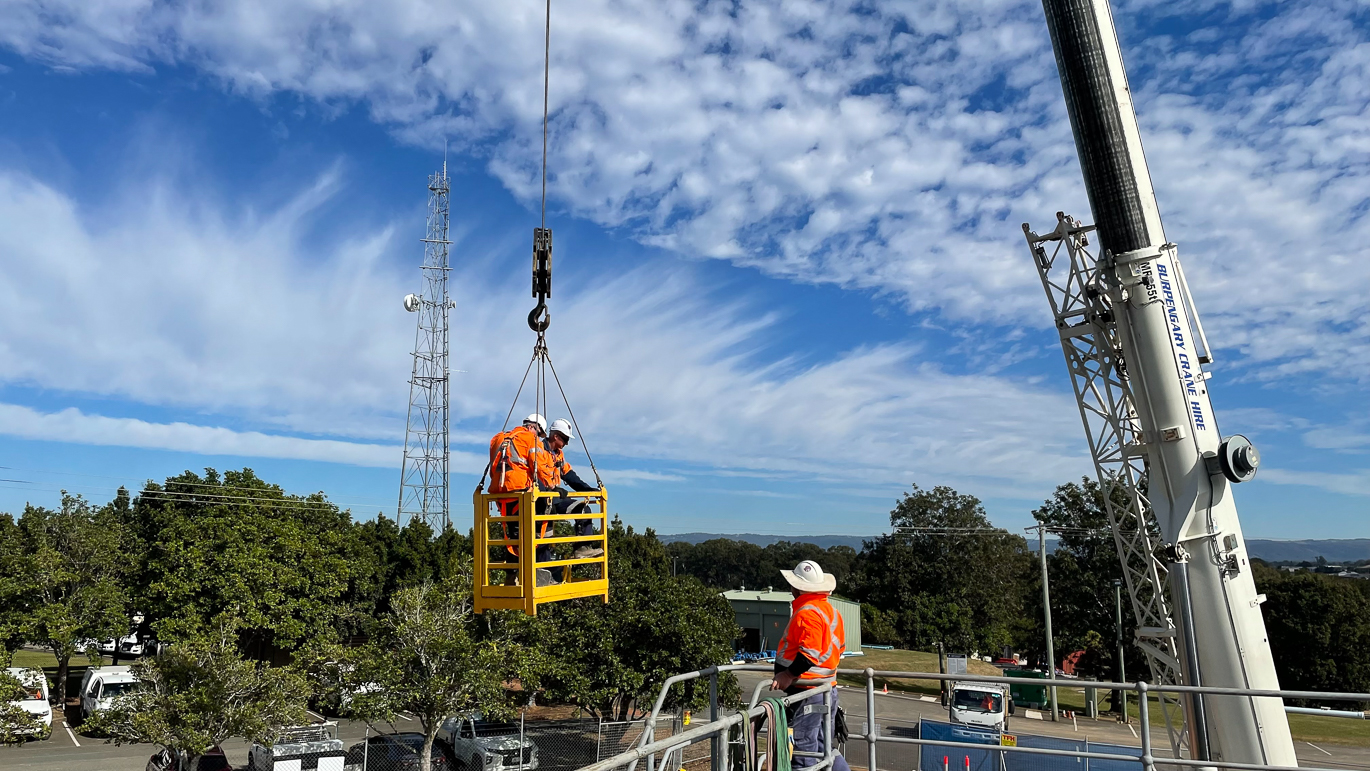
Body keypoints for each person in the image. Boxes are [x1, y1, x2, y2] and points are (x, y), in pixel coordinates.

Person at [770, 560, 851, 771]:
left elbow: (810, 654)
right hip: (827, 689)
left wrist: (787, 675)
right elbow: (839, 649)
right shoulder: (831, 611)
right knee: (825, 748)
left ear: (796, 587)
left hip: (809, 692)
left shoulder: (807, 613)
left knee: (805, 750)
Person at [487, 414, 551, 584]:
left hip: (500, 494)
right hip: (520, 491)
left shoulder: (498, 438)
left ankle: (511, 574)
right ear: (533, 428)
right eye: (540, 433)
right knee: (524, 531)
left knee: (512, 532)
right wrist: (552, 485)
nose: (539, 437)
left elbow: (493, 469)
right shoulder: (530, 438)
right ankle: (526, 574)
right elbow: (540, 468)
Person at [537, 418, 604, 561]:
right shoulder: (539, 451)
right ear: (556, 436)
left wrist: (587, 489)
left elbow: (568, 474)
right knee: (544, 536)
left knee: (583, 510)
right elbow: (538, 473)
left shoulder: (558, 454)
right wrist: (550, 490)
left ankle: (582, 548)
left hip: (555, 498)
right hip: (541, 501)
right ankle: (543, 570)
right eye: (565, 439)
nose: (566, 443)